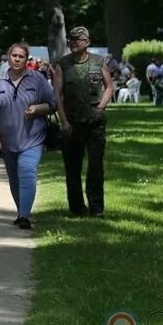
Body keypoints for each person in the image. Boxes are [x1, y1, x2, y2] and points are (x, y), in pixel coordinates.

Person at [0, 43, 57, 230]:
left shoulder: (37, 80)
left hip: (33, 138)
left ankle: (24, 215)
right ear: (8, 57)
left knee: (27, 171)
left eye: (21, 56)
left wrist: (37, 108)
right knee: (14, 178)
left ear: (27, 60)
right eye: (14, 55)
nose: (17, 59)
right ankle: (21, 212)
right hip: (8, 141)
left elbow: (53, 104)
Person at [54, 27, 114, 217]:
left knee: (96, 166)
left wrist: (100, 107)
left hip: (95, 123)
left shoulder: (99, 61)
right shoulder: (62, 65)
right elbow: (57, 94)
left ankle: (97, 208)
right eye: (70, 39)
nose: (73, 42)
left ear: (87, 42)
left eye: (77, 39)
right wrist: (63, 121)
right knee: (73, 168)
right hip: (72, 123)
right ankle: (77, 208)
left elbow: (109, 87)